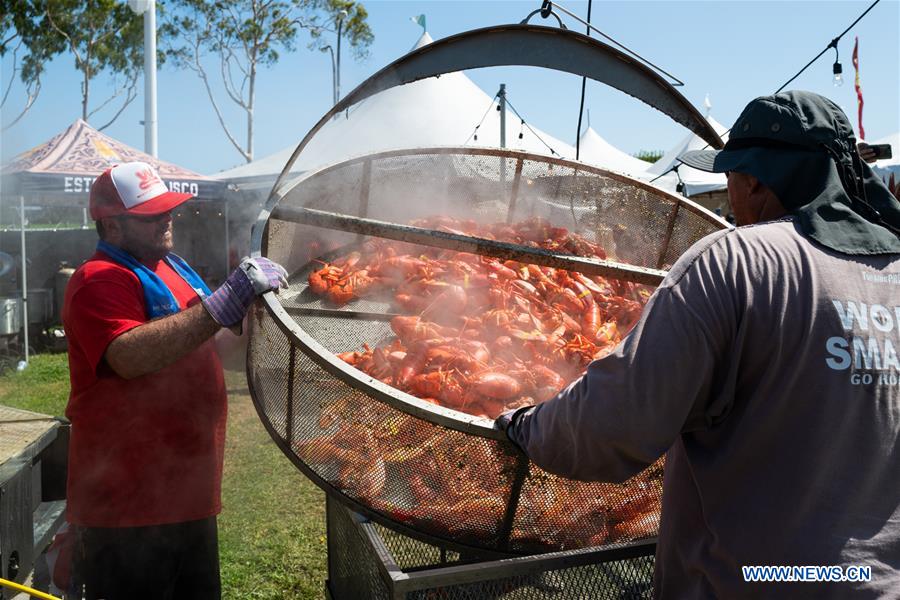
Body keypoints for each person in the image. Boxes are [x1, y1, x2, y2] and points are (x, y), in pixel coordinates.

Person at [496, 91, 900, 597]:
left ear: (754, 180)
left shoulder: (736, 263)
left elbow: (613, 424)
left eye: (729, 175)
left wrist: (524, 425)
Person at [62, 161, 287, 600]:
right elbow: (126, 355)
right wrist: (220, 305)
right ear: (112, 225)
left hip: (187, 494)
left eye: (168, 208)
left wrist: (261, 319)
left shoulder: (173, 267)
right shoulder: (98, 279)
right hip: (127, 506)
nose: (167, 218)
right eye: (151, 214)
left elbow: (219, 350)